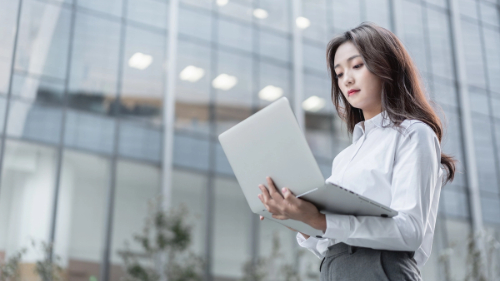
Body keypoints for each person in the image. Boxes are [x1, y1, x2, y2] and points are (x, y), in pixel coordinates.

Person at [256, 22, 456, 281]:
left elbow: (410, 231)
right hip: (334, 270)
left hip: (382, 269)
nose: (346, 79)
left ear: (387, 66)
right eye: (339, 73)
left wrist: (319, 221)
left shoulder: (414, 133)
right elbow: (329, 244)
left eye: (357, 66)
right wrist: (297, 218)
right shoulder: (345, 157)